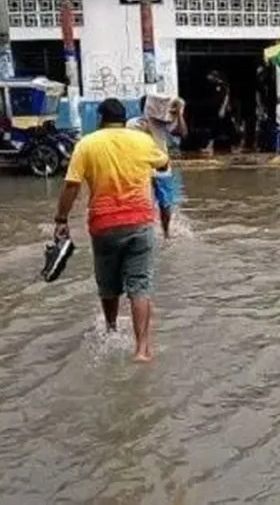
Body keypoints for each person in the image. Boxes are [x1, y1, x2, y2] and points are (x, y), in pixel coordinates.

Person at [52, 98, 169, 363]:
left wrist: (61, 219)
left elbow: (71, 186)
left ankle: (111, 329)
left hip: (104, 226)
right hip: (139, 222)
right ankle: (141, 350)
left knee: (108, 286)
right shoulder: (140, 141)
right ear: (123, 117)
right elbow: (163, 164)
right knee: (140, 286)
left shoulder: (87, 144)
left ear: (101, 118)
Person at [126, 95, 187, 239]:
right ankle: (143, 232)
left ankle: (166, 233)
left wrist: (178, 114)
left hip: (161, 166)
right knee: (140, 201)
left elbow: (182, 132)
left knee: (165, 204)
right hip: (140, 167)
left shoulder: (162, 123)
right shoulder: (133, 123)